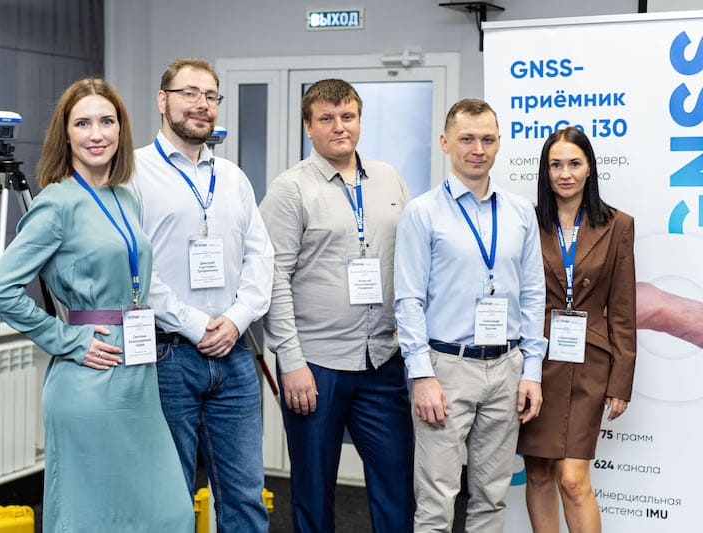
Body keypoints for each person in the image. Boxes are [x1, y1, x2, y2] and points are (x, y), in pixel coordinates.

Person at [0, 78, 194, 532]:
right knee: (96, 518)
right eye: (82, 123)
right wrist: (67, 340)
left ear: (121, 129)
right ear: (65, 134)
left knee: (168, 514)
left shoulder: (124, 196)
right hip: (91, 376)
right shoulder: (57, 203)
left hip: (140, 372)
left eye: (106, 121)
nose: (96, 134)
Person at [260, 79, 415, 532]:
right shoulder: (290, 189)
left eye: (347, 116)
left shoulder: (389, 178)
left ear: (359, 120)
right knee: (313, 489)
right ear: (309, 127)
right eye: (326, 119)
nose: (339, 127)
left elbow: (410, 260)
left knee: (397, 483)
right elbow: (274, 279)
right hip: (316, 364)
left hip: (382, 359)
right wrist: (291, 362)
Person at [130, 57, 273, 532]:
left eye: (211, 96)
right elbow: (135, 267)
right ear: (162, 99)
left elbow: (261, 257)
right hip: (167, 357)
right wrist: (196, 325)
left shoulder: (232, 177)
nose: (202, 105)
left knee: (246, 497)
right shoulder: (133, 173)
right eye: (189, 93)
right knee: (169, 498)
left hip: (235, 356)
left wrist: (236, 320)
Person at [394, 98, 546, 533]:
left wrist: (531, 370)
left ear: (499, 143)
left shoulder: (520, 212)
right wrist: (422, 376)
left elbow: (533, 295)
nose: (477, 149)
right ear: (445, 143)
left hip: (507, 367)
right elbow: (408, 300)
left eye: (487, 139)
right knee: (436, 503)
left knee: (492, 499)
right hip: (446, 369)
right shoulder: (423, 212)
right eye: (467, 139)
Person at [518, 126, 636, 533]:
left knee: (572, 479)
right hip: (537, 363)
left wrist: (621, 381)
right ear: (545, 171)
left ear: (590, 168)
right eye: (556, 165)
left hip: (590, 364)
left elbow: (622, 310)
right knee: (538, 474)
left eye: (574, 163)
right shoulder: (527, 222)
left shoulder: (618, 225)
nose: (565, 173)